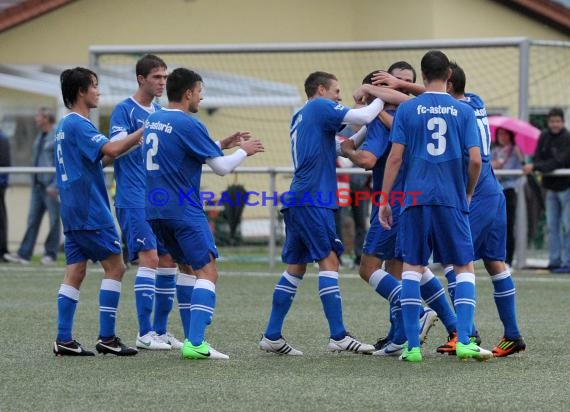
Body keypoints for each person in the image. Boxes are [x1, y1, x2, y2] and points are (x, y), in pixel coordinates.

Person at [259, 71, 388, 356]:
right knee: (329, 261)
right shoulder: (319, 107)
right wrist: (380, 95)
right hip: (312, 200)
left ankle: (271, 335)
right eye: (336, 91)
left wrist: (368, 127)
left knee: (296, 267)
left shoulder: (304, 117)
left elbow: (344, 145)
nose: (340, 97)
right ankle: (339, 335)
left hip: (300, 199)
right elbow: (365, 116)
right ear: (320, 90)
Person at [379, 51, 492, 362]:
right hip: (451, 199)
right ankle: (465, 340)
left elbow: (395, 158)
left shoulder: (408, 109)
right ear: (449, 77)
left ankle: (413, 347)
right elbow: (474, 160)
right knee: (463, 267)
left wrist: (385, 199)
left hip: (414, 199)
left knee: (413, 268)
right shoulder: (464, 111)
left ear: (422, 75)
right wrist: (467, 193)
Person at [144, 67, 264, 360]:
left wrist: (222, 143)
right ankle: (196, 342)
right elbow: (221, 168)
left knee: (186, 268)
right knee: (208, 271)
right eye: (199, 92)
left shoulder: (154, 119)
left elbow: (182, 150)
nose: (201, 97)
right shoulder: (189, 123)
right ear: (188, 94)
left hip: (154, 210)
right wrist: (244, 151)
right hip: (184, 209)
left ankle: (191, 337)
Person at [342, 63, 449, 357]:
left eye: (406, 82)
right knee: (404, 270)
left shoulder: (400, 115)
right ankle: (413, 335)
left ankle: (416, 316)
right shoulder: (412, 114)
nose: (401, 86)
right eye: (396, 81)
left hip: (395, 203)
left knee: (369, 269)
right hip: (420, 199)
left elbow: (367, 159)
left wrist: (347, 150)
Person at [52, 67, 142, 356]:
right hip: (91, 209)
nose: (98, 91)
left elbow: (100, 159)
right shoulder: (80, 124)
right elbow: (112, 151)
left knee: (75, 271)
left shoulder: (63, 126)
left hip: (72, 209)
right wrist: (144, 129)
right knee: (116, 267)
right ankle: (108, 338)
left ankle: (63, 339)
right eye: (94, 86)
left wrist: (131, 141)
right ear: (81, 92)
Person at [438, 62, 525, 357]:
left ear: (448, 85)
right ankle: (512, 335)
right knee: (494, 262)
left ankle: (467, 334)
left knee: (454, 261)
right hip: (494, 191)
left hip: (477, 194)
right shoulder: (475, 100)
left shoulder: (456, 113)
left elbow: (422, 103)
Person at [109, 54, 181, 351]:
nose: (162, 82)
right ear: (141, 79)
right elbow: (113, 149)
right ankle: (144, 332)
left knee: (168, 260)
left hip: (159, 199)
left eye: (165, 77)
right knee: (149, 258)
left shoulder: (162, 112)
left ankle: (161, 332)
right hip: (133, 196)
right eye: (157, 77)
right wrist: (144, 129)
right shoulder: (124, 110)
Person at [4, 107, 61, 265]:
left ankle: (50, 254)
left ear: (46, 118)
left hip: (51, 187)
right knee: (32, 220)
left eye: (38, 116)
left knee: (54, 221)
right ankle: (24, 254)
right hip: (38, 186)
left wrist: (56, 185)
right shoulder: (40, 135)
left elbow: (61, 160)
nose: (36, 118)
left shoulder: (56, 134)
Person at [523, 108, 570, 274]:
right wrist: (538, 164)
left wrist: (536, 167)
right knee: (552, 226)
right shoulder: (544, 136)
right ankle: (555, 261)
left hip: (566, 188)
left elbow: (559, 161)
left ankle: (567, 262)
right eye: (552, 121)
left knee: (567, 226)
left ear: (563, 122)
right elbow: (538, 158)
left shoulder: (567, 138)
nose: (555, 124)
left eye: (558, 121)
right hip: (550, 188)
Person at [491, 127, 524, 267]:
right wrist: (495, 166)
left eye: (505, 134)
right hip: (494, 191)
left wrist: (500, 167)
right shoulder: (494, 151)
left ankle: (508, 261)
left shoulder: (515, 151)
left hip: (509, 190)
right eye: (499, 134)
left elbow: (517, 170)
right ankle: (495, 258)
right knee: (494, 226)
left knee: (508, 225)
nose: (502, 136)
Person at [0, 128, 10, 262]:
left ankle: (2, 250)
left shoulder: (2, 138)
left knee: (0, 219)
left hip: (0, 184)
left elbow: (4, 163)